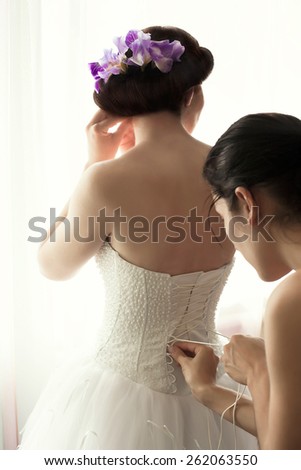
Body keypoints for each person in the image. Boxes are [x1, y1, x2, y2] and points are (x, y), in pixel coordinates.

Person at [20, 26, 256, 450]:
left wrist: (92, 165)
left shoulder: (106, 180)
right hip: (213, 387)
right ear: (192, 96)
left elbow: (52, 266)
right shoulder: (231, 171)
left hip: (117, 393)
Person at [170, 112, 301, 450]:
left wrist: (260, 369)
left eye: (222, 216)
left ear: (245, 202)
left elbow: (283, 454)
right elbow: (290, 429)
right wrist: (208, 392)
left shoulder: (290, 302)